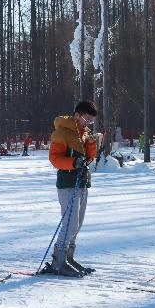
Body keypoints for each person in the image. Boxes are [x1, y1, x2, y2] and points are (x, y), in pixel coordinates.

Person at [45, 100, 98, 277]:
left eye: (91, 121)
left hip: (82, 182)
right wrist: (74, 162)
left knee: (78, 223)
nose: (88, 123)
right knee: (70, 223)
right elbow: (54, 158)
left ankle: (68, 256)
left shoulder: (84, 133)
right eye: (87, 119)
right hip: (68, 183)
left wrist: (91, 144)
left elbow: (89, 159)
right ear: (77, 115)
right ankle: (58, 260)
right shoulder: (61, 132)